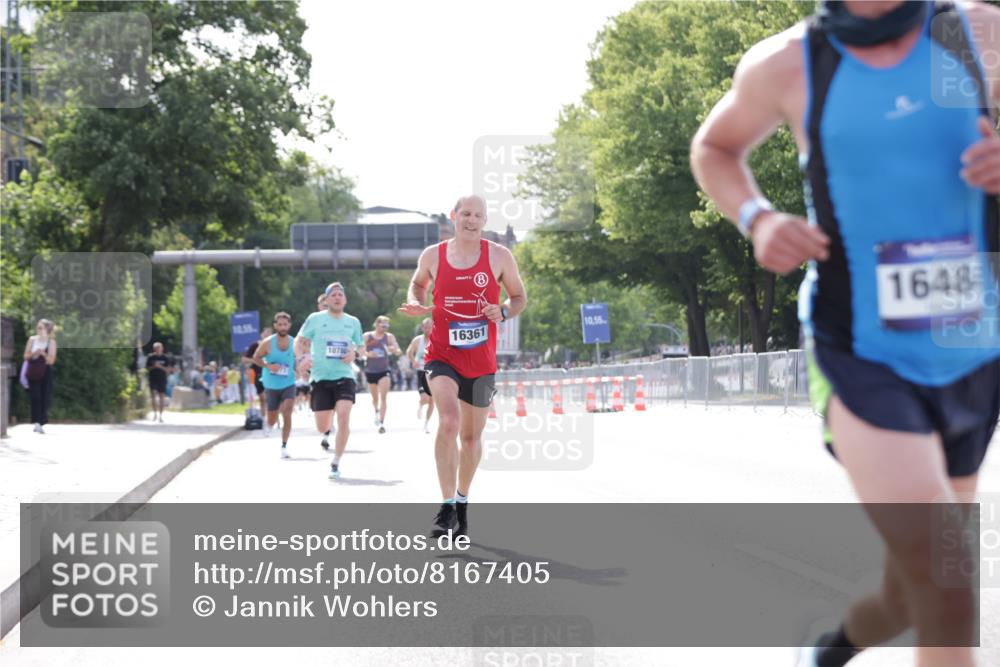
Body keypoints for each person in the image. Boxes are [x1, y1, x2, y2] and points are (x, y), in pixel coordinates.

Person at [690, 2, 1000, 666]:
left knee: (912, 590)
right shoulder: (788, 63)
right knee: (945, 586)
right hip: (861, 351)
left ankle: (832, 650)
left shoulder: (979, 32)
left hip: (970, 351)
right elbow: (714, 148)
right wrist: (758, 218)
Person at [400, 195, 527, 537]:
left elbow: (519, 298)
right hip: (442, 354)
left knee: (470, 440)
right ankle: (445, 507)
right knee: (449, 423)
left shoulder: (499, 256)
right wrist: (416, 302)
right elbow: (417, 284)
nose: (471, 220)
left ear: (484, 221)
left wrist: (503, 311)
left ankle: (461, 500)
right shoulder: (433, 255)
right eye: (465, 214)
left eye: (478, 215)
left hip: (481, 360)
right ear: (454, 216)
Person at [295, 282, 364, 479]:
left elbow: (361, 345)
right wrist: (301, 358)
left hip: (345, 376)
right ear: (326, 300)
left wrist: (355, 354)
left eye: (340, 294)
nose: (337, 297)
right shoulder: (315, 319)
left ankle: (336, 461)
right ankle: (328, 419)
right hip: (321, 378)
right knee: (322, 427)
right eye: (333, 295)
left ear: (345, 299)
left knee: (344, 415)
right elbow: (298, 340)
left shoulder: (353, 322)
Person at [253, 312, 298, 458]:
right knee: (272, 418)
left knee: (287, 412)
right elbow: (256, 358)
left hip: (288, 383)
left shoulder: (295, 342)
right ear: (275, 326)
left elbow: (299, 358)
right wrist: (268, 366)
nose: (283, 327)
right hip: (271, 385)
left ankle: (284, 446)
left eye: (285, 324)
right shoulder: (267, 342)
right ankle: (269, 424)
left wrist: (299, 369)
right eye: (280, 324)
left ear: (289, 325)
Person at [363, 315, 402, 434]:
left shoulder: (389, 337)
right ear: (376, 324)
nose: (385, 327)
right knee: (375, 398)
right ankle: (376, 411)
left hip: (384, 370)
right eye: (383, 324)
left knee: (384, 397)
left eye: (387, 325)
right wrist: (368, 354)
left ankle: (381, 422)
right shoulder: (367, 336)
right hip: (370, 370)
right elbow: (360, 350)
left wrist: (394, 350)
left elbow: (398, 351)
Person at [23, 319, 57, 434]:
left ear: (47, 329)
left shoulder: (51, 342)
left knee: (44, 397)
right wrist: (34, 353)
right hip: (33, 371)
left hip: (46, 372)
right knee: (35, 397)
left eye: (41, 327)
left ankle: (40, 422)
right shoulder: (32, 339)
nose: (38, 329)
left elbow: (51, 361)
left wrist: (43, 353)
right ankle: (36, 421)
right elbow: (26, 356)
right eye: (38, 327)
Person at [406, 317, 435, 433]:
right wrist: (413, 361)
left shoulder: (437, 339)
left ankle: (426, 424)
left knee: (432, 400)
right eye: (425, 327)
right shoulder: (418, 340)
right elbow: (409, 352)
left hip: (434, 372)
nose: (428, 330)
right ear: (422, 328)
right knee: (425, 398)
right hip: (421, 372)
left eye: (430, 327)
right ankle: (421, 405)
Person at [243, 327, 273, 423]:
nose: (267, 336)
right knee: (263, 398)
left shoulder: (275, 346)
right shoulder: (255, 345)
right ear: (261, 334)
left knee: (271, 398)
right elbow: (244, 359)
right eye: (265, 334)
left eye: (269, 334)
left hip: (272, 374)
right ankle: (264, 419)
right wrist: (257, 361)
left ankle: (271, 418)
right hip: (258, 374)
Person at [145, 342, 174, 423]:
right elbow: (147, 368)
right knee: (153, 396)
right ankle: (155, 414)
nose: (158, 349)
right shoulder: (151, 357)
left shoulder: (165, 358)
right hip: (153, 379)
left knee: (162, 397)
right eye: (156, 348)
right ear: (154, 349)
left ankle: (160, 416)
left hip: (162, 379)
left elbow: (168, 370)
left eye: (159, 348)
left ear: (162, 348)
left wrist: (160, 366)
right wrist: (154, 366)